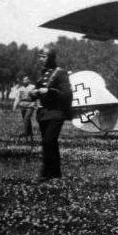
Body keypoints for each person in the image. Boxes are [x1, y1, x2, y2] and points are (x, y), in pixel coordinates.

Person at [29, 49, 72, 181]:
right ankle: (55, 173)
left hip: (56, 113)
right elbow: (36, 91)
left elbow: (67, 94)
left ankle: (46, 173)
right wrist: (33, 93)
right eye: (40, 56)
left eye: (44, 56)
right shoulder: (43, 74)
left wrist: (49, 90)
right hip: (43, 113)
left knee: (49, 141)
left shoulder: (60, 73)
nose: (41, 59)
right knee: (49, 143)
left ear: (51, 57)